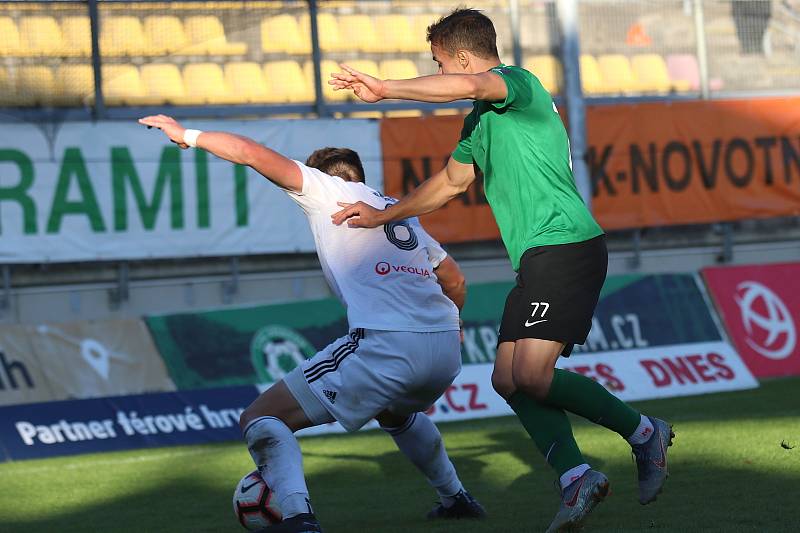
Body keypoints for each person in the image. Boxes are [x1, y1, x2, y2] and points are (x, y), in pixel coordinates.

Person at [329, 8, 674, 532]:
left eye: (440, 63)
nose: (441, 73)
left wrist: (385, 87)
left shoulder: (518, 85)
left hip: (568, 247)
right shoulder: (481, 123)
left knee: (533, 374)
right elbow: (448, 183)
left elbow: (466, 84)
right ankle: (575, 475)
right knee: (508, 380)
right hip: (537, 260)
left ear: (463, 58)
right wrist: (383, 214)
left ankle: (644, 432)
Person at [138, 114, 485, 533]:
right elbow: (455, 279)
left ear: (321, 176)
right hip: (445, 348)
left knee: (260, 418)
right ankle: (456, 498)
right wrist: (456, 325)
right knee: (394, 413)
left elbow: (249, 152)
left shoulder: (325, 190)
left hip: (389, 344)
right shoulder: (395, 210)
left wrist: (188, 135)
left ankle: (299, 519)